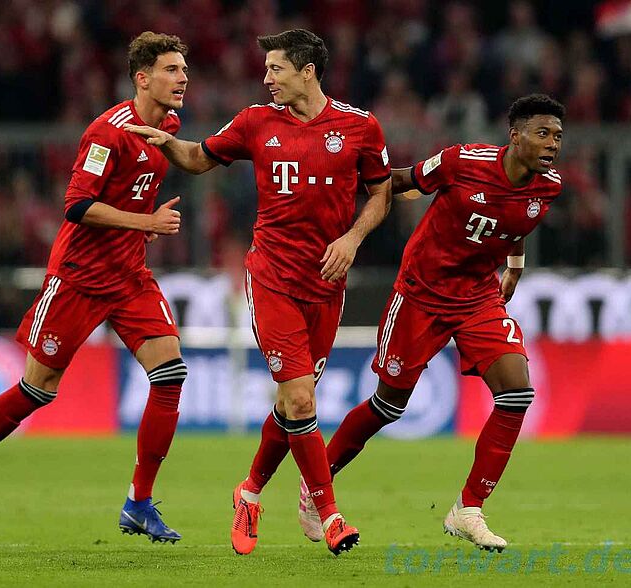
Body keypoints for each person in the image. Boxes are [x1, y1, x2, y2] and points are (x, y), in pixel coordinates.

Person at [126, 29, 392, 556]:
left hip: (327, 283)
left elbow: (381, 193)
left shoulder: (360, 127)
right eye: (266, 68)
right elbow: (200, 158)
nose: (266, 78)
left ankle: (248, 493)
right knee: (301, 397)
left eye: (276, 68)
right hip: (272, 277)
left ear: (307, 71)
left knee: (293, 404)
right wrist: (167, 142)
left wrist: (352, 238)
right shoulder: (254, 122)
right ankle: (330, 514)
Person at [0, 31, 190, 544]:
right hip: (78, 278)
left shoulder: (169, 127)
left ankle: (139, 502)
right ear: (142, 79)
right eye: (172, 70)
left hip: (129, 276)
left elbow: (145, 182)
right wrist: (145, 223)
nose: (183, 78)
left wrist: (144, 220)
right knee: (36, 390)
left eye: (184, 69)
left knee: (170, 374)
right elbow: (76, 205)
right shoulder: (106, 133)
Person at [299, 94, 565, 552]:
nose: (553, 144)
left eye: (558, 136)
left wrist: (515, 267)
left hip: (477, 297)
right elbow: (402, 180)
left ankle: (469, 509)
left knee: (517, 392)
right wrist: (338, 185)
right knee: (388, 406)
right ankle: (317, 481)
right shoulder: (463, 162)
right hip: (420, 293)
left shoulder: (549, 186)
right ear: (515, 136)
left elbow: (517, 221)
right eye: (542, 134)